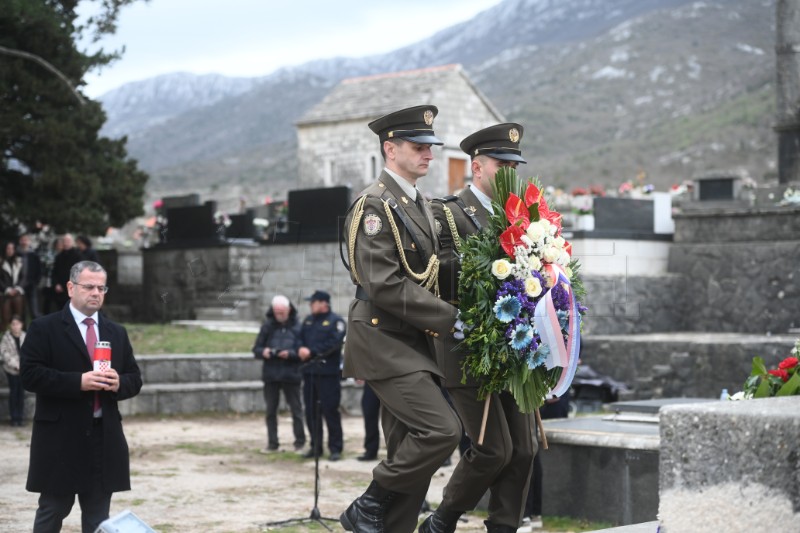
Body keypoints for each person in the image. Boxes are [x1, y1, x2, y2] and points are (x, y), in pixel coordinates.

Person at [339, 104, 462, 533]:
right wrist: (451, 318)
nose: (429, 154)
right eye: (418, 146)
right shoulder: (375, 207)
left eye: (430, 146)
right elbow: (385, 284)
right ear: (390, 150)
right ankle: (369, 500)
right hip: (382, 339)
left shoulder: (419, 204)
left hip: (413, 341)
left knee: (409, 454)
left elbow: (432, 272)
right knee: (441, 431)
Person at [422, 123, 536, 533]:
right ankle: (443, 519)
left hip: (515, 346)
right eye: (501, 164)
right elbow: (435, 276)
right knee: (492, 450)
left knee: (524, 448)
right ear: (477, 167)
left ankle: (504, 528)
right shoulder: (447, 213)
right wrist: (491, 264)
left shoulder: (525, 220)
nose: (510, 173)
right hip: (468, 345)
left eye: (515, 166)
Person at [21, 260, 142, 533]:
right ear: (70, 288)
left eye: (101, 287)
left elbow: (135, 379)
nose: (96, 293)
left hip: (103, 437)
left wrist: (118, 382)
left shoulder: (116, 332)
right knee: (52, 510)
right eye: (89, 287)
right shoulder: (44, 327)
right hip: (60, 437)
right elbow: (30, 375)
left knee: (99, 518)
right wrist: (79, 382)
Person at [252, 294, 305, 454]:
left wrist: (290, 354)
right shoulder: (267, 326)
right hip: (271, 375)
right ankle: (272, 443)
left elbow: (303, 352)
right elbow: (256, 349)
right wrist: (265, 352)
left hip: (291, 374)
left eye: (282, 312)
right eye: (276, 312)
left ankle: (300, 443)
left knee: (296, 410)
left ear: (289, 310)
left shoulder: (298, 327)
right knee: (270, 411)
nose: (279, 315)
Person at [298, 289, 346, 461]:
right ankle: (315, 446)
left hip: (328, 374)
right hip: (310, 373)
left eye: (313, 302)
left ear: (323, 303)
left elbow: (333, 344)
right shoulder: (309, 321)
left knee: (330, 411)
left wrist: (311, 351)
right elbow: (299, 338)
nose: (311, 305)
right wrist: (301, 349)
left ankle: (335, 448)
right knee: (311, 412)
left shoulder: (336, 322)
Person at [518, 391, 571, 532]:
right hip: (536, 393)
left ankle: (525, 515)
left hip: (526, 392)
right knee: (530, 449)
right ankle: (533, 513)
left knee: (525, 448)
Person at [0, 315, 26, 426]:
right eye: (13, 324)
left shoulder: (26, 336)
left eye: (18, 324)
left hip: (24, 369)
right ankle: (14, 418)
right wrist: (16, 365)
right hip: (11, 369)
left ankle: (20, 418)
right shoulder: (6, 337)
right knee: (14, 393)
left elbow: (30, 352)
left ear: (21, 325)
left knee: (21, 394)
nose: (15, 326)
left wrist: (24, 365)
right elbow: (4, 353)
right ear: (11, 325)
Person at [51, 233, 81, 310]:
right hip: (60, 289)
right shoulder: (59, 257)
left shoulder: (78, 256)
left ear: (72, 242)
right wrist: (56, 284)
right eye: (64, 241)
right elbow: (54, 272)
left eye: (68, 241)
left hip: (73, 288)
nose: (66, 243)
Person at [1, 241, 26, 331]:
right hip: (4, 292)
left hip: (17, 291)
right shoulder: (1, 261)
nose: (10, 250)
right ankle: (6, 330)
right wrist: (7, 290)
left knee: (18, 304)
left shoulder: (20, 261)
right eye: (8, 248)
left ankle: (18, 329)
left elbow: (23, 277)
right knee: (5, 315)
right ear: (5, 249)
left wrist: (17, 288)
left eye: (12, 248)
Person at [17, 234, 43, 320]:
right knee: (21, 310)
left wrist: (36, 282)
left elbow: (39, 270)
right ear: (20, 241)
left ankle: (37, 330)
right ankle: (22, 331)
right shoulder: (16, 254)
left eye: (26, 240)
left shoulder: (34, 255)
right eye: (22, 240)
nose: (24, 242)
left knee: (34, 310)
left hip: (32, 285)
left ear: (29, 242)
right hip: (19, 286)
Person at [357, 381, 380, 461]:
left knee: (392, 418)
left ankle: (396, 451)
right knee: (369, 411)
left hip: (391, 377)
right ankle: (371, 450)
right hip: (371, 379)